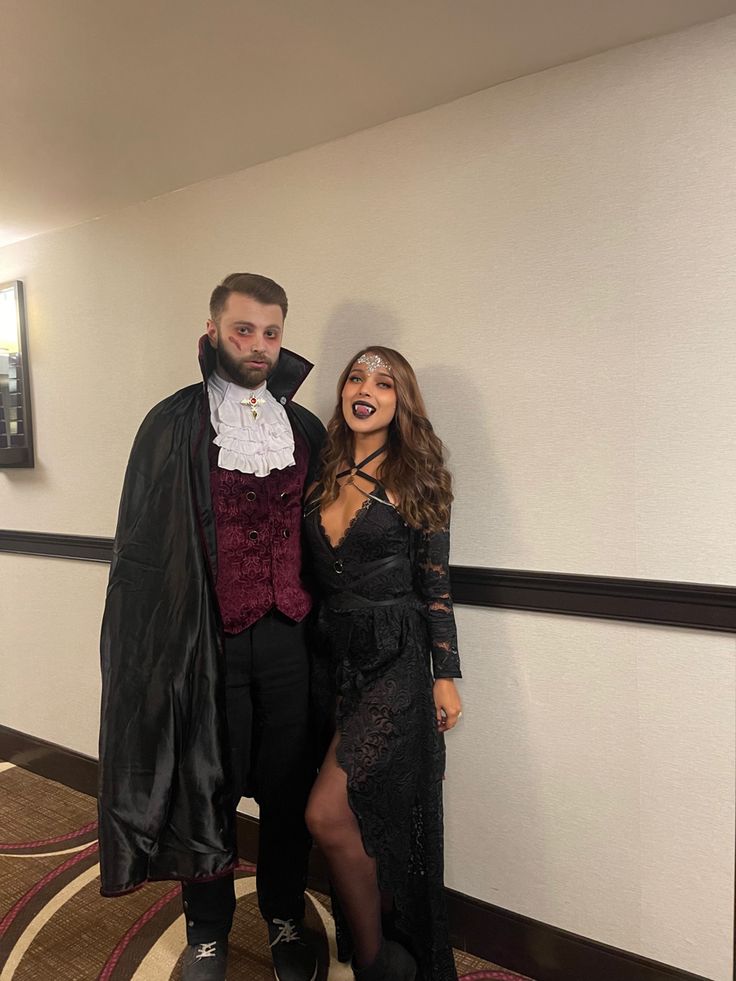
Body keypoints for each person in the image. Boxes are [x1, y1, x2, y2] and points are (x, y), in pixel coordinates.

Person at [98, 273, 325, 981]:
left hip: (292, 639)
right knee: (207, 787)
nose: (258, 345)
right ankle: (207, 927)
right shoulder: (171, 423)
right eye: (243, 329)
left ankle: (285, 910)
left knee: (290, 790)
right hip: (207, 643)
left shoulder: (307, 427)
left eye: (271, 331)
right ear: (213, 330)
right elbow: (143, 551)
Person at [303, 347, 463, 981]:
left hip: (395, 658)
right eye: (355, 377)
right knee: (356, 811)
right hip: (330, 658)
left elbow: (437, 584)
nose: (364, 388)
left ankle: (375, 961)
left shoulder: (418, 472)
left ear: (403, 401)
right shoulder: (322, 467)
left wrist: (445, 675)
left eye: (383, 382)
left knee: (326, 812)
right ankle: (376, 946)